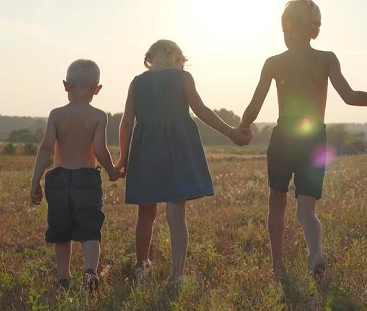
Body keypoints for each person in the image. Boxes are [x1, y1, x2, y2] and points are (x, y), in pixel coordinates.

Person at [239, 0, 367, 278]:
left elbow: (254, 106)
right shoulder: (327, 58)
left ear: (286, 30)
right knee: (307, 208)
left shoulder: (274, 63)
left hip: (284, 135)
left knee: (277, 201)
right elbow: (350, 97)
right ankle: (315, 252)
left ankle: (278, 266)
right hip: (315, 136)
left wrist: (243, 127)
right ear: (314, 31)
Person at [116, 39, 251, 286]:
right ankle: (176, 274)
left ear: (150, 60)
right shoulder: (183, 78)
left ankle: (141, 265)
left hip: (145, 151)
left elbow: (126, 121)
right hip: (176, 150)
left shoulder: (137, 82)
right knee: (176, 213)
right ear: (174, 56)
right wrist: (230, 131)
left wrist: (123, 156)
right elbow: (201, 110)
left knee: (145, 212)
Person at [30, 59, 122, 292]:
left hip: (58, 179)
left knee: (61, 231)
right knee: (90, 229)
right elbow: (100, 149)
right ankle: (90, 272)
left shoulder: (56, 114)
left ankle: (63, 279)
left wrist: (35, 181)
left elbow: (46, 148)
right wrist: (112, 170)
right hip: (86, 179)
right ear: (97, 89)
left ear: (65, 85)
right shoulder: (99, 116)